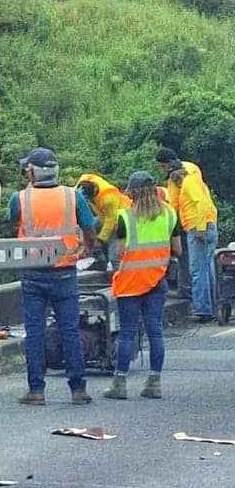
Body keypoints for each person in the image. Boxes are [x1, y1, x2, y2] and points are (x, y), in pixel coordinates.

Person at [7, 147, 97, 406]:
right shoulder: (73, 196)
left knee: (34, 331)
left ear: (33, 172)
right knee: (69, 330)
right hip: (65, 272)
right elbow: (89, 229)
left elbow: (15, 223)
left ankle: (36, 390)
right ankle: (78, 389)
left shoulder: (20, 199)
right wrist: (86, 249)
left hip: (33, 272)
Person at [103, 171, 181, 399]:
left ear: (133, 193)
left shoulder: (125, 217)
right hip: (157, 280)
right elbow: (177, 249)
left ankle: (120, 383)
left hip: (130, 282)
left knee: (127, 333)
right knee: (155, 331)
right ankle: (154, 382)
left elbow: (119, 252)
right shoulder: (169, 214)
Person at [165, 161, 218, 321]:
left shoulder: (188, 183)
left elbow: (200, 203)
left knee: (197, 271)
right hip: (205, 226)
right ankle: (210, 307)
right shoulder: (195, 181)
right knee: (206, 269)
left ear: (176, 175)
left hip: (198, 229)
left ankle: (202, 310)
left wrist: (200, 228)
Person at [76, 172, 131, 264]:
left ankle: (115, 269)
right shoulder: (81, 184)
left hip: (121, 221)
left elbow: (110, 221)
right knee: (90, 227)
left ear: (95, 190)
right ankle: (99, 259)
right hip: (103, 216)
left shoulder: (109, 198)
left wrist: (100, 239)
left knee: (115, 255)